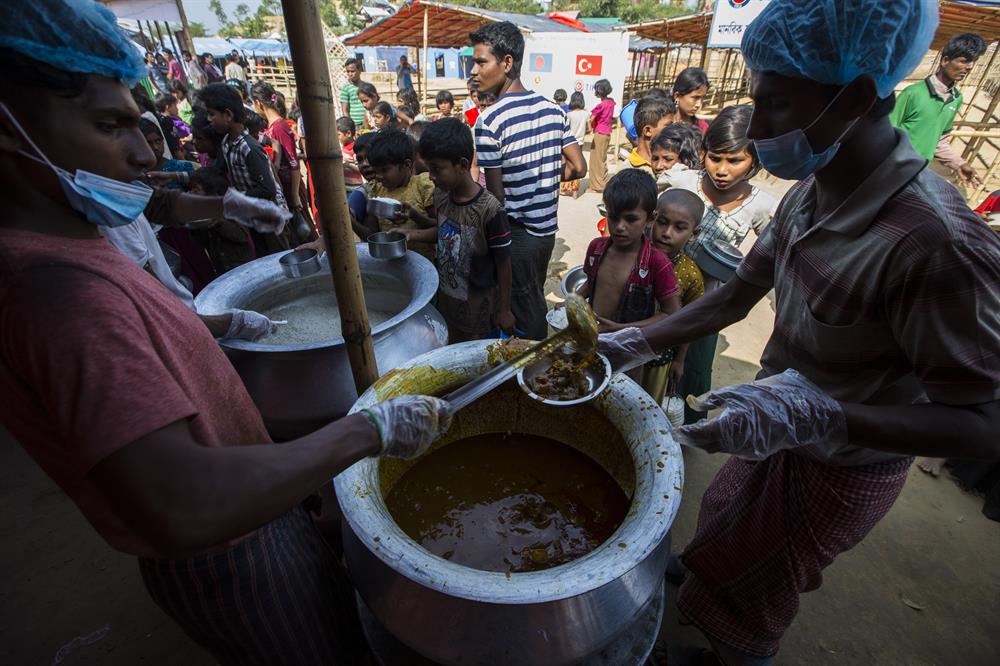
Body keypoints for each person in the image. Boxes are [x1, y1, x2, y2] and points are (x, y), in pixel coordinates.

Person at [0, 6, 452, 664]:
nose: (146, 152)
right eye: (108, 125)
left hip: (261, 509)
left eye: (139, 123)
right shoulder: (59, 295)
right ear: (10, 131)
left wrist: (220, 323)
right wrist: (367, 431)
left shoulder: (71, 245)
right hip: (230, 555)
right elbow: (183, 501)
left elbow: (144, 346)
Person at [599, 2, 1000, 663]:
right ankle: (700, 573)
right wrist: (640, 339)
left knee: (758, 599)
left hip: (840, 468)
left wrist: (822, 414)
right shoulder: (814, 189)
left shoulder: (935, 243)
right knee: (722, 516)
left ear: (855, 98)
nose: (757, 129)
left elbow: (983, 423)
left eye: (777, 104)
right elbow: (738, 294)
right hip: (776, 427)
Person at [471, 21, 587, 340]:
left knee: (524, 309)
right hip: (546, 233)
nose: (474, 70)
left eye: (481, 61)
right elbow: (578, 167)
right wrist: (547, 175)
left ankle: (534, 370)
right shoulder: (553, 110)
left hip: (517, 235)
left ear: (507, 63)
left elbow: (496, 200)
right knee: (532, 292)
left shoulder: (489, 120)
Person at [419, 117, 514, 341]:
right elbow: (445, 233)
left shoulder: (490, 210)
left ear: (462, 164)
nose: (431, 177)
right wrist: (411, 232)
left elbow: (504, 263)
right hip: (448, 299)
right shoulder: (441, 195)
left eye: (437, 169)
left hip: (478, 308)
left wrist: (505, 309)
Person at [576, 169, 681, 342]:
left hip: (630, 346)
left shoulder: (657, 263)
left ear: (650, 219)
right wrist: (573, 302)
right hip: (592, 337)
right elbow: (592, 282)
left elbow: (671, 314)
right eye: (614, 217)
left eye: (631, 219)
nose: (619, 227)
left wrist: (621, 329)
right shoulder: (596, 248)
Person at [200, 82, 289, 255]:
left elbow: (267, 189)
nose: (209, 120)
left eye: (212, 114)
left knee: (279, 259)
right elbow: (217, 170)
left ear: (228, 115)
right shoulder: (227, 143)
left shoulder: (249, 148)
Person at [890, 32, 987, 186]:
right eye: (964, 61)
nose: (969, 67)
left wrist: (959, 164)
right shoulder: (913, 93)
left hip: (918, 174)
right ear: (945, 61)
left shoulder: (956, 98)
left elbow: (940, 141)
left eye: (973, 62)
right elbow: (887, 133)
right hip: (894, 170)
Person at [641, 188, 705, 404]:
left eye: (679, 228)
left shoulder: (690, 274)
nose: (667, 233)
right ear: (652, 219)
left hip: (660, 356)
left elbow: (690, 321)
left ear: (694, 233)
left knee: (644, 406)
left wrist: (680, 359)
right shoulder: (631, 253)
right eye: (662, 222)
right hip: (623, 343)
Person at [364, 130, 437, 261]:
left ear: (407, 164)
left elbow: (440, 229)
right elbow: (373, 233)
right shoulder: (376, 190)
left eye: (385, 170)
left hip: (423, 263)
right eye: (376, 171)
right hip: (389, 263)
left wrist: (415, 216)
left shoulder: (422, 186)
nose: (379, 176)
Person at [187, 167, 255, 275]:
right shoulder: (203, 214)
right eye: (190, 189)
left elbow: (242, 236)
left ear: (213, 193)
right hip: (223, 268)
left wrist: (220, 222)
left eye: (196, 189)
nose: (191, 193)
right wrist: (195, 228)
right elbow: (201, 244)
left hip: (242, 265)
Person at [251, 81, 304, 216]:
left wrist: (294, 195)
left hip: (290, 185)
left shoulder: (279, 127)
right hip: (284, 184)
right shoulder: (273, 126)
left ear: (258, 103)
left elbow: (294, 162)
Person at [623, 96, 676, 181]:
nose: (675, 130)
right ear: (648, 131)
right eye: (669, 126)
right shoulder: (627, 174)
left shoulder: (675, 162)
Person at [650, 122, 703, 188]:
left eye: (668, 159)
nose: (658, 167)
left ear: (686, 161)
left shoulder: (699, 188)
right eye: (655, 159)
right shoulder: (650, 187)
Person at [588, 78, 616, 193]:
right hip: (607, 133)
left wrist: (590, 129)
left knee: (595, 160)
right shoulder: (611, 102)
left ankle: (596, 187)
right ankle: (602, 182)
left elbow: (591, 119)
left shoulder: (601, 105)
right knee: (602, 159)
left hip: (599, 133)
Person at [560, 91, 589, 197]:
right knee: (578, 165)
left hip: (570, 144)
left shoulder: (569, 114)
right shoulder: (586, 114)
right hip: (580, 143)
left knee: (568, 165)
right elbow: (589, 128)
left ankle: (564, 189)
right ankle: (575, 192)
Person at [672, 67, 710, 133]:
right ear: (677, 96)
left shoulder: (702, 128)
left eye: (701, 98)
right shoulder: (662, 125)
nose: (698, 104)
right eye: (695, 98)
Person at [340, 58, 367, 130]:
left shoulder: (366, 86)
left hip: (368, 123)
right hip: (355, 125)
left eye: (352, 71)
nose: (350, 74)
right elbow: (345, 110)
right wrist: (350, 126)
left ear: (359, 70)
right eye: (348, 71)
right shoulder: (346, 88)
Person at [338, 116, 364, 188]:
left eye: (338, 134)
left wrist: (348, 165)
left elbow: (361, 169)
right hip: (345, 186)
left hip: (355, 187)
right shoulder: (342, 147)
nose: (337, 137)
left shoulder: (355, 149)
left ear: (348, 133)